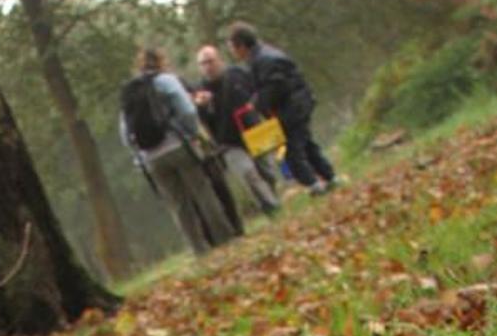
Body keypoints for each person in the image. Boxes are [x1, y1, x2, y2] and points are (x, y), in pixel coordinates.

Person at [120, 48, 236, 255]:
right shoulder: (165, 80)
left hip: (150, 158)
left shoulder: (129, 92)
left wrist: (139, 155)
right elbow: (188, 110)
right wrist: (191, 133)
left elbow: (124, 131)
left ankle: (198, 249)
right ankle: (225, 240)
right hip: (177, 145)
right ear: (161, 62)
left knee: (178, 205)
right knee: (202, 192)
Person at [227, 21, 339, 196]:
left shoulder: (264, 60)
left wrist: (256, 104)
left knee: (292, 152)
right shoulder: (263, 56)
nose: (233, 52)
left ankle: (314, 186)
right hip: (295, 106)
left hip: (293, 110)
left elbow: (275, 87)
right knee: (307, 145)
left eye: (233, 47)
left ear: (241, 46)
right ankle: (329, 178)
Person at [193, 45, 280, 214]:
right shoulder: (200, 91)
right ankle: (272, 207)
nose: (207, 67)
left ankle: (272, 199)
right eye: (203, 64)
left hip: (255, 130)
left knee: (268, 172)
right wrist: (201, 107)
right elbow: (199, 123)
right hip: (228, 142)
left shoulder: (238, 74)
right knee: (248, 174)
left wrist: (269, 117)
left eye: (210, 61)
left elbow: (259, 93)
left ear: (219, 60)